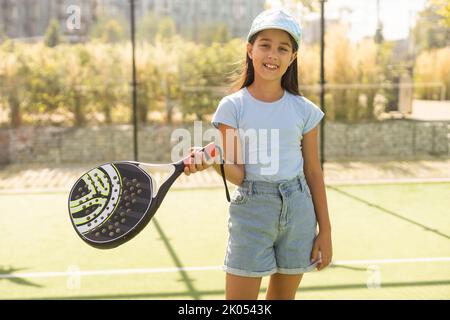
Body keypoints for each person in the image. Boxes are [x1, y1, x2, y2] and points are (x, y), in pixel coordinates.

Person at [184, 9, 332, 300]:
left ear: (293, 57)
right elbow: (239, 175)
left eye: (283, 48)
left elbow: (313, 172)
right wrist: (216, 160)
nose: (272, 54)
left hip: (299, 212)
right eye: (265, 44)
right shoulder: (232, 107)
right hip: (252, 213)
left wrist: (325, 231)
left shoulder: (305, 111)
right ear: (250, 50)